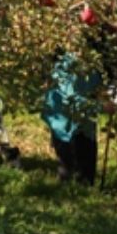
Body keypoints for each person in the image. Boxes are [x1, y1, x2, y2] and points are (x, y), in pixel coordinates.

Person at [41, 51, 102, 184]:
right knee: (68, 165)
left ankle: (84, 193)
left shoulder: (95, 63)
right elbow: (70, 98)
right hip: (63, 120)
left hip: (85, 121)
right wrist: (101, 106)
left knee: (86, 166)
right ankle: (66, 195)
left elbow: (99, 89)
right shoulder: (66, 65)